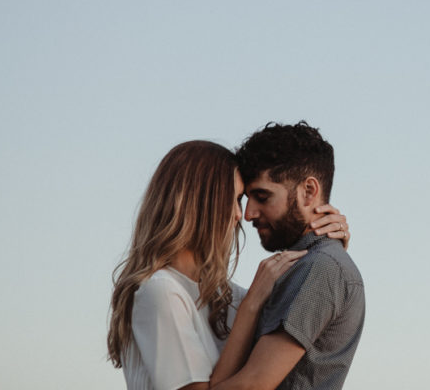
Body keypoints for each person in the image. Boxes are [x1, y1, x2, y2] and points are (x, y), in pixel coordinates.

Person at [107, 140, 350, 390]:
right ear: (196, 202)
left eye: (240, 200)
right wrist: (250, 306)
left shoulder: (228, 297)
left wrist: (327, 246)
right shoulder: (161, 291)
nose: (239, 215)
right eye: (232, 199)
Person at [207, 122, 364, 390]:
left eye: (262, 196)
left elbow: (253, 385)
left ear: (309, 192)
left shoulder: (319, 267)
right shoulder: (309, 264)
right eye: (246, 199)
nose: (248, 214)